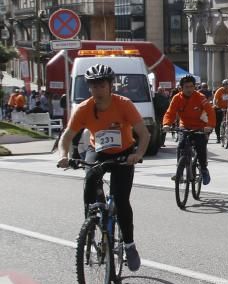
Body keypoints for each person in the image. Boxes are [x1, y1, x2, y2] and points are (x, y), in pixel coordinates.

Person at [57, 64, 150, 272]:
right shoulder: (83, 108)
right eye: (92, 86)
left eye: (101, 85)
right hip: (97, 150)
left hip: (124, 153)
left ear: (110, 86)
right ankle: (90, 225)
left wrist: (138, 154)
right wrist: (64, 155)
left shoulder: (124, 104)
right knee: (89, 179)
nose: (97, 90)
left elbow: (144, 134)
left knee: (121, 199)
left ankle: (129, 245)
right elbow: (67, 136)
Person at [162, 75, 216, 185]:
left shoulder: (200, 97)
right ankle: (180, 172)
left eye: (192, 86)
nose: (190, 89)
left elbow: (210, 112)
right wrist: (166, 124)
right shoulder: (177, 98)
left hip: (200, 127)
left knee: (200, 147)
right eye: (187, 87)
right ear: (181, 88)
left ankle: (204, 170)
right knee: (180, 146)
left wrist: (210, 126)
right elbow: (170, 113)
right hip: (185, 126)